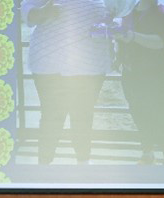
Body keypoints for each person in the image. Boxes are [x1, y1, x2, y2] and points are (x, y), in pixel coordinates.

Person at [21, 0, 111, 164]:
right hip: (51, 64)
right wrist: (42, 13)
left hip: (92, 63)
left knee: (83, 117)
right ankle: (44, 166)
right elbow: (27, 10)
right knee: (52, 118)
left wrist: (112, 22)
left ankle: (82, 165)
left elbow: (119, 10)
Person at [115, 0, 164, 164]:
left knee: (163, 115)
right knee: (139, 113)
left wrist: (133, 36)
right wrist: (118, 58)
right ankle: (147, 153)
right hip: (132, 74)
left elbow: (160, 42)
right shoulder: (128, 12)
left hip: (160, 74)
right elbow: (123, 38)